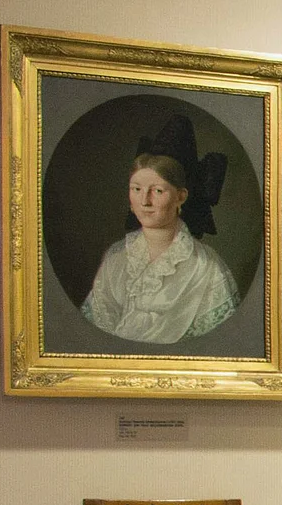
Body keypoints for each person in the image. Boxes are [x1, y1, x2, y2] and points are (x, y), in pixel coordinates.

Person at [81, 114, 238, 345]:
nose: (144, 201)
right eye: (136, 189)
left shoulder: (207, 267)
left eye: (157, 191)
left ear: (181, 197)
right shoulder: (115, 258)